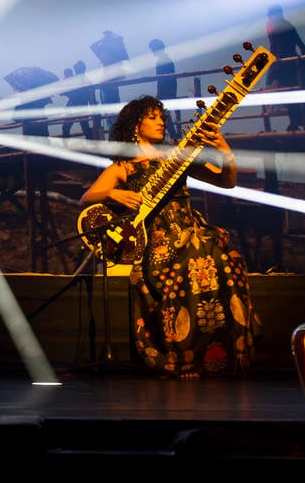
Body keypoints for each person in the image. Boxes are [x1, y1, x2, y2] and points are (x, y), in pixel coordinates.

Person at [78, 95, 260, 378]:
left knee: (226, 261)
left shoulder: (175, 158)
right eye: (152, 117)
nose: (161, 121)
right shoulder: (123, 167)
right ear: (135, 124)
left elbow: (227, 181)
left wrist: (224, 150)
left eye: (161, 117)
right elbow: (86, 198)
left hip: (191, 232)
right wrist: (112, 193)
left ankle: (225, 355)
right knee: (183, 270)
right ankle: (183, 359)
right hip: (156, 243)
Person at [265, 4, 305, 131]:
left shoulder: (274, 26)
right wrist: (303, 62)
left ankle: (297, 122)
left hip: (283, 64)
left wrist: (273, 67)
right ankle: (298, 121)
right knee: (294, 92)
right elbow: (302, 46)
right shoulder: (287, 25)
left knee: (286, 91)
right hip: (292, 63)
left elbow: (275, 48)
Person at [90, 30, 129, 129]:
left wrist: (104, 39)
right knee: (113, 114)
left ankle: (116, 136)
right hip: (109, 87)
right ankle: (117, 136)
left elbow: (93, 47)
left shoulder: (110, 56)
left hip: (107, 87)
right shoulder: (116, 55)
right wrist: (108, 39)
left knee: (111, 115)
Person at [148, 38, 181, 139]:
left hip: (165, 90)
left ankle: (172, 136)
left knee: (164, 114)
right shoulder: (167, 59)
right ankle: (173, 136)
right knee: (165, 114)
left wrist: (159, 92)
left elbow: (161, 79)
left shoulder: (162, 61)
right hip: (169, 89)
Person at [60, 60, 96, 139]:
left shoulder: (77, 80)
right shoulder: (86, 80)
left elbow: (73, 94)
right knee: (85, 127)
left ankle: (66, 147)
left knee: (66, 127)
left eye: (76, 69)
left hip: (74, 106)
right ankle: (92, 144)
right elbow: (88, 96)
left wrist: (64, 92)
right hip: (81, 106)